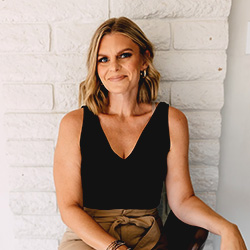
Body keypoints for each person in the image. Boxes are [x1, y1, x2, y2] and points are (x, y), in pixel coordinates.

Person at [53, 17, 247, 250]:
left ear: (144, 59)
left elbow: (182, 201)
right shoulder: (75, 123)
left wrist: (228, 228)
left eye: (124, 55)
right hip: (90, 238)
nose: (113, 67)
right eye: (103, 59)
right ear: (96, 68)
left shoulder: (171, 121)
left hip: (148, 236)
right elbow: (69, 207)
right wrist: (116, 248)